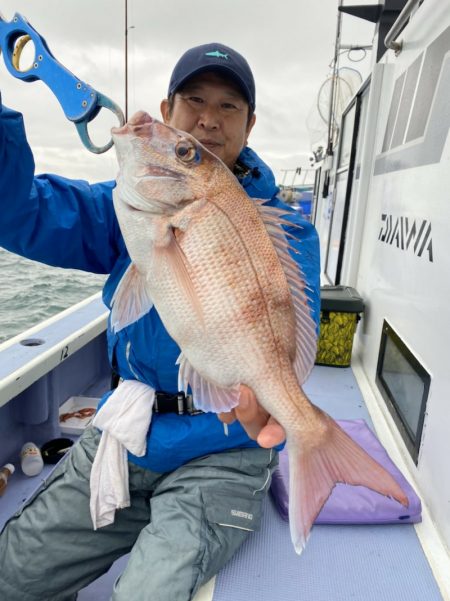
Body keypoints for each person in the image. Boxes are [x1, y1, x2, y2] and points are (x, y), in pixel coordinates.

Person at [0, 43, 320, 600]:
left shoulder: (287, 230)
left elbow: (285, 332)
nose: (208, 118)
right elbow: (19, 210)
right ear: (167, 108)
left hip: (223, 450)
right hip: (127, 432)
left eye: (228, 106)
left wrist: (270, 402)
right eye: (194, 100)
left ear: (250, 123)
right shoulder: (128, 207)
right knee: (13, 576)